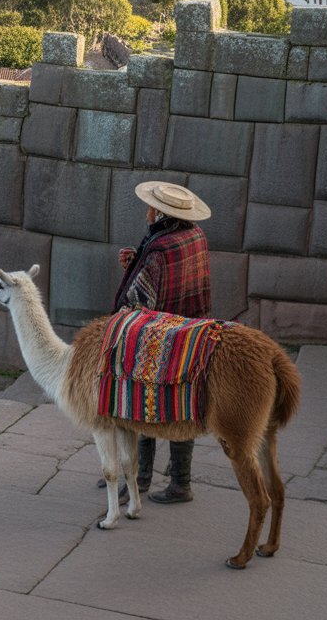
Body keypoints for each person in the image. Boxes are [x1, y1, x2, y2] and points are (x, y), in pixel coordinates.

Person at [110, 180, 212, 505]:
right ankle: (181, 481)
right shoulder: (194, 236)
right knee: (184, 405)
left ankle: (139, 480)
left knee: (143, 406)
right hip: (191, 333)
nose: (147, 212)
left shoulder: (160, 249)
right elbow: (168, 277)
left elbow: (138, 301)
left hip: (160, 338)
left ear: (160, 212)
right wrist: (135, 262)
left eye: (150, 207)